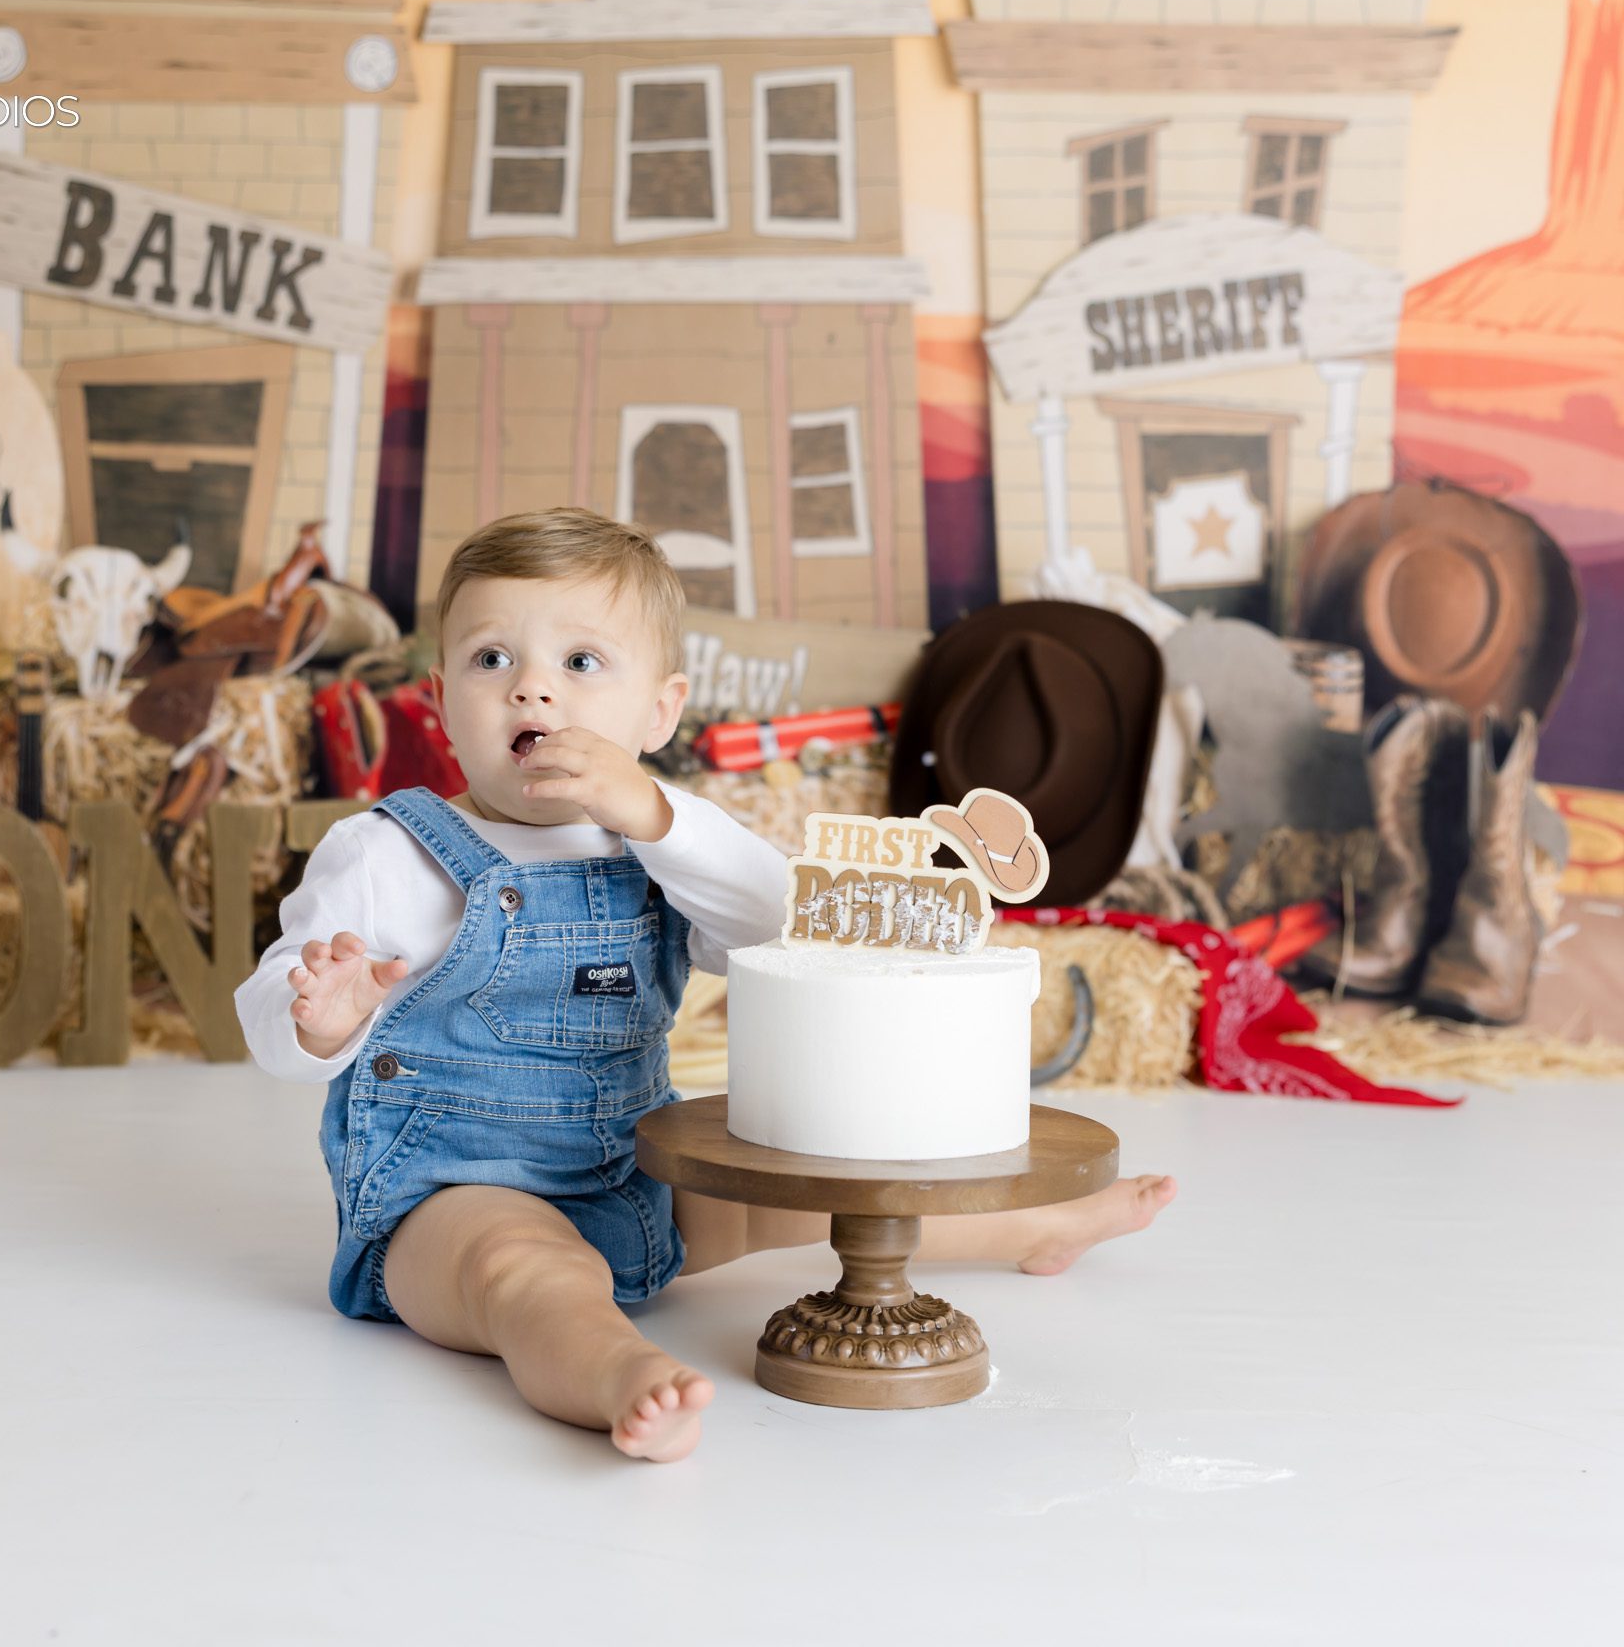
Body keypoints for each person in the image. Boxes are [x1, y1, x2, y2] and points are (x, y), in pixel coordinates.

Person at [237, 508, 1175, 1464]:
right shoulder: (385, 852)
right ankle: (613, 1372)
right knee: (524, 1270)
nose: (533, 691)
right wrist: (320, 1018)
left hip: (632, 1177)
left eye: (582, 664)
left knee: (834, 1187)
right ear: (439, 697)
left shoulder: (665, 844)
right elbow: (270, 1017)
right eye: (491, 661)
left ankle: (1036, 1225)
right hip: (446, 1200)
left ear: (660, 711)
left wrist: (655, 815)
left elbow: (782, 926)